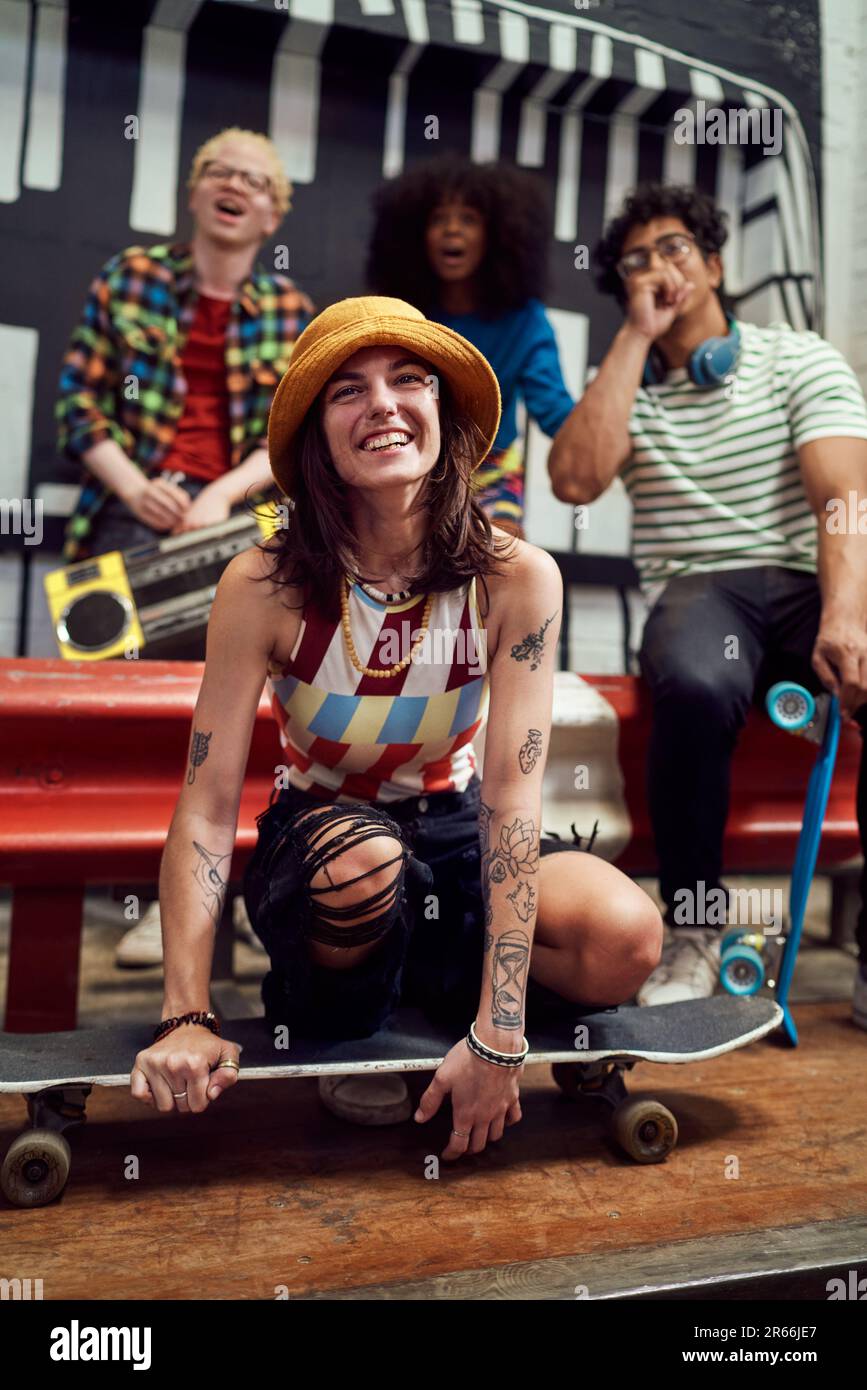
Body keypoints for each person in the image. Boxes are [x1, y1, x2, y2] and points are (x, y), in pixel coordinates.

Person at [129, 295, 663, 1155]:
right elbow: (204, 804)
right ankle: (342, 1003)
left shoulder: (516, 576)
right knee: (365, 865)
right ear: (317, 438)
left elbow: (511, 801)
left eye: (407, 380)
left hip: (451, 827)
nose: (381, 402)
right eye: (347, 391)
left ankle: (430, 995)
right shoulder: (261, 582)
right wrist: (186, 1012)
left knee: (626, 937)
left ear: (440, 414)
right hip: (324, 833)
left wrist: (499, 1031)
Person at [548, 182, 867, 1025]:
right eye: (635, 261)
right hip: (700, 588)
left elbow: (843, 497)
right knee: (693, 684)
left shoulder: (797, 358)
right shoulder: (622, 381)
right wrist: (636, 335)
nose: (656, 267)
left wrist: (845, 616)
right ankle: (691, 929)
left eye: (675, 248)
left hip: (803, 581)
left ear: (715, 263)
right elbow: (575, 478)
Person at [55, 126, 314, 967]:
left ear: (271, 213)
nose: (235, 186)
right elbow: (78, 408)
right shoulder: (128, 278)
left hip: (249, 514)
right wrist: (138, 487)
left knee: (263, 691)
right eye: (220, 173)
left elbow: (294, 436)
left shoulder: (289, 309)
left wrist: (217, 493)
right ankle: (147, 893)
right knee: (120, 694)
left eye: (255, 181)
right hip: (131, 512)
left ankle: (244, 888)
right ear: (195, 191)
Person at [366, 156, 574, 539]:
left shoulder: (525, 321)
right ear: (415, 235)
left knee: (502, 557)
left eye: (468, 219)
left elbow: (556, 413)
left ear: (497, 236)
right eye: (438, 219)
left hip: (492, 469)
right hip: (408, 463)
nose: (452, 231)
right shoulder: (399, 314)